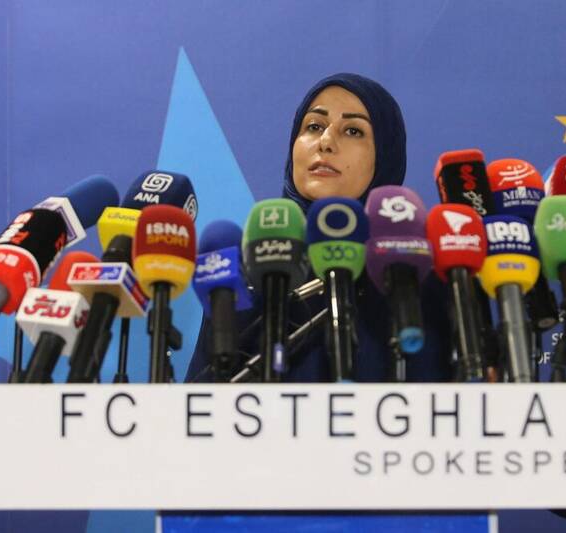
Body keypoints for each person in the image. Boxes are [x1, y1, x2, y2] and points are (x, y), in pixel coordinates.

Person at [186, 73, 452, 383]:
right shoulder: (248, 264)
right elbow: (201, 397)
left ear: (385, 155)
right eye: (314, 126)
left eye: (353, 131)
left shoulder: (416, 271)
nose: (325, 142)